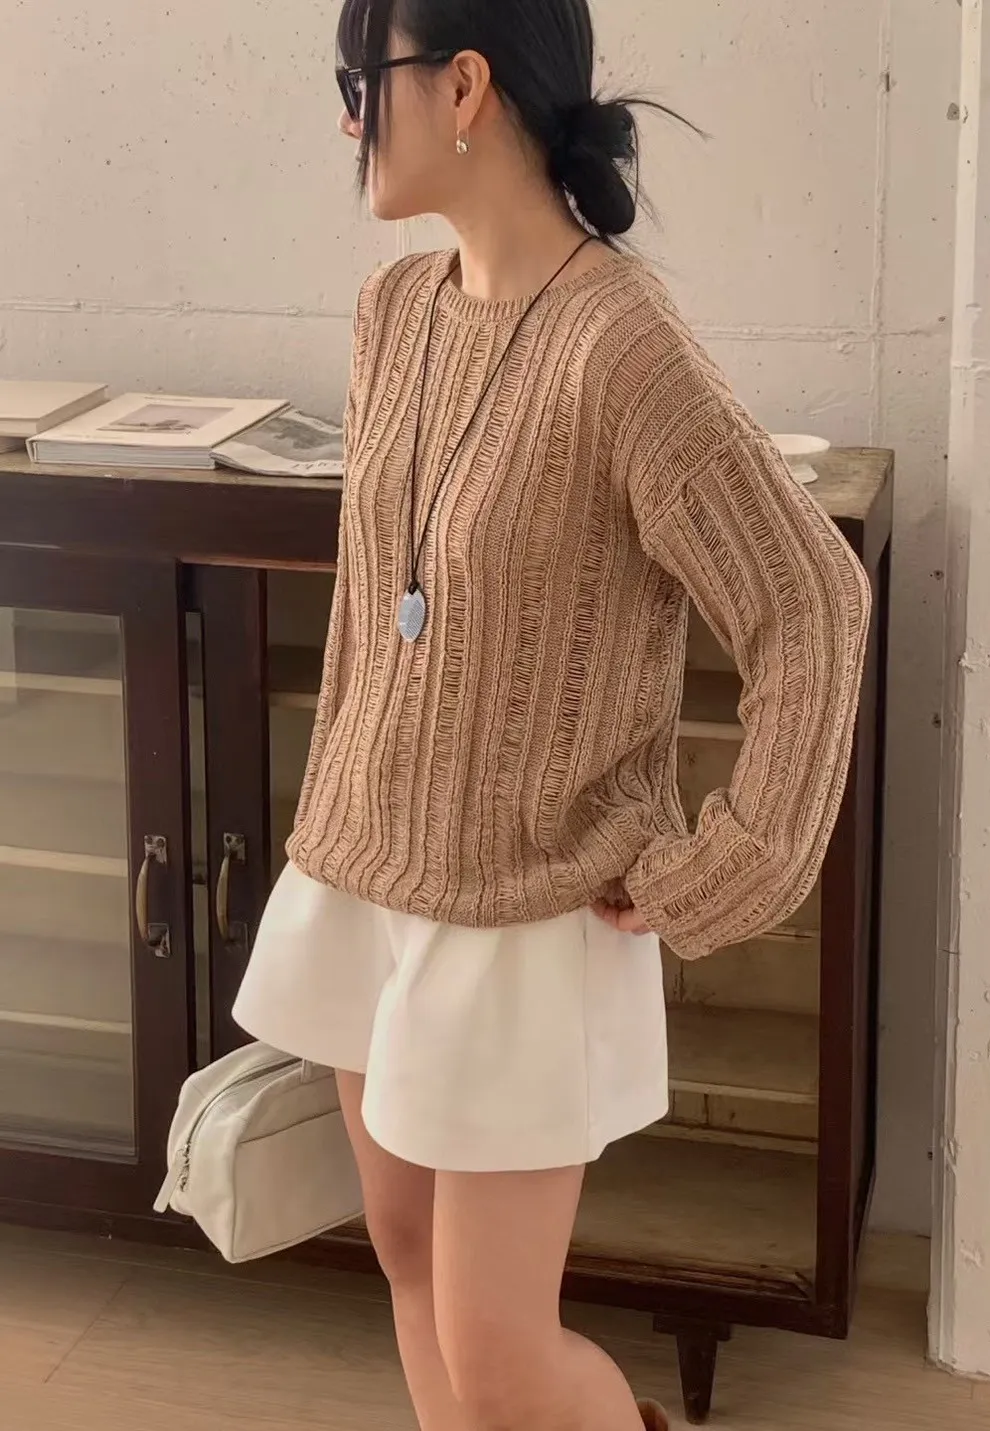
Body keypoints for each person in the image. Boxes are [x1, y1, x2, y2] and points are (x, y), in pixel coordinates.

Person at [234, 0, 871, 1428]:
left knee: (503, 1358)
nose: (347, 117)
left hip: (525, 911)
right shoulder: (394, 312)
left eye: (360, 79)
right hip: (370, 873)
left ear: (462, 85)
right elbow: (381, 606)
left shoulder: (620, 345)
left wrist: (730, 862)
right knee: (406, 1261)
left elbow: (810, 602)